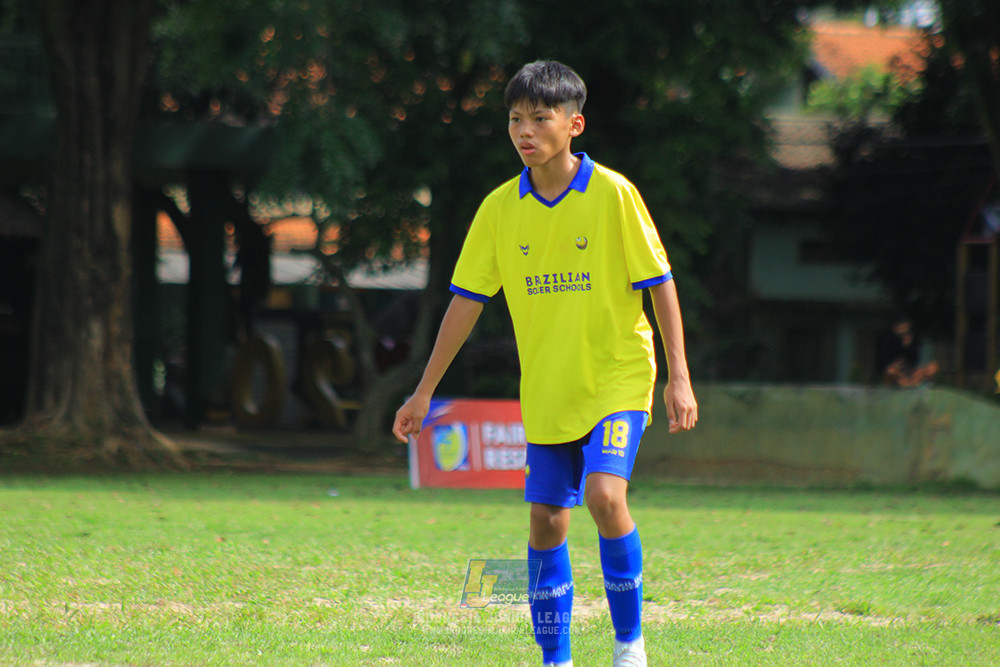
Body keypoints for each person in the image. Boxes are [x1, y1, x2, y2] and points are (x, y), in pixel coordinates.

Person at [392, 60, 698, 667]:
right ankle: (555, 659)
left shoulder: (614, 194)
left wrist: (679, 377)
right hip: (549, 390)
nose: (524, 131)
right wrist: (423, 391)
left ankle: (629, 644)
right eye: (514, 119)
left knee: (606, 497)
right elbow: (466, 302)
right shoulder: (500, 209)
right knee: (545, 523)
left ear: (574, 124)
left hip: (618, 375)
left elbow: (660, 283)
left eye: (539, 118)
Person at [878, 315, 939, 388]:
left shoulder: (918, 340)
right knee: (891, 371)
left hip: (915, 372)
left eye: (903, 325)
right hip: (898, 373)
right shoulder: (890, 342)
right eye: (898, 327)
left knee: (933, 367)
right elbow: (887, 365)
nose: (901, 329)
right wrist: (896, 368)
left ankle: (914, 385)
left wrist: (919, 371)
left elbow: (924, 362)